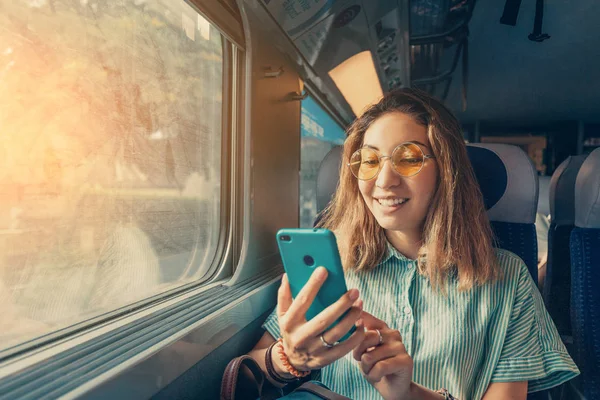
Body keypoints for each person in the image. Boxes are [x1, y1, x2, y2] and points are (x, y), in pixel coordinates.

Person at [247, 89, 579, 399]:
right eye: (370, 160)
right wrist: (286, 359)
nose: (384, 180)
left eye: (408, 158)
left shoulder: (507, 278)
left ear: (446, 171)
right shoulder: (330, 265)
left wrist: (410, 394)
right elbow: (248, 373)